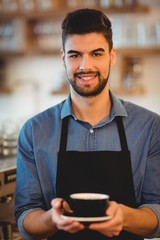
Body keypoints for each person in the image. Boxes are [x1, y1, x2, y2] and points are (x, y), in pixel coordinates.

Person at [15, 8, 160, 240]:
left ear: (111, 56)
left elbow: (157, 212)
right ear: (63, 57)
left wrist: (125, 216)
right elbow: (25, 217)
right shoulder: (34, 131)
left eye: (96, 54)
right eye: (75, 55)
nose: (85, 66)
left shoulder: (150, 127)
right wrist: (51, 219)